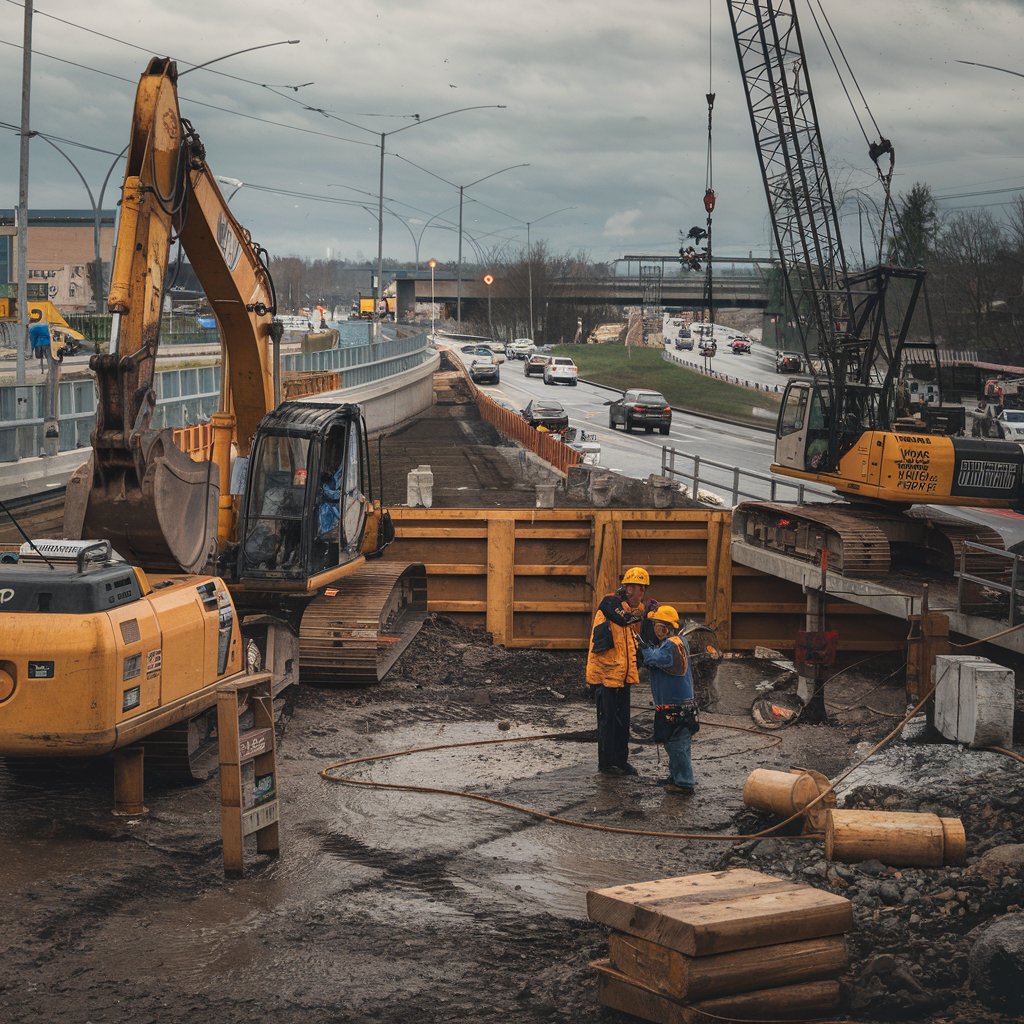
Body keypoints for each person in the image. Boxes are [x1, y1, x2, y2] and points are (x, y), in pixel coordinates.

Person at [585, 566, 653, 777]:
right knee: (607, 722)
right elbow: (622, 619)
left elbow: (636, 641)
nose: (641, 594)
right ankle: (606, 764)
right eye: (639, 589)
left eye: (644, 590)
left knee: (623, 720)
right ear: (629, 587)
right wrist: (645, 615)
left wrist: (647, 617)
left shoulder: (634, 610)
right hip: (605, 676)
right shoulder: (610, 603)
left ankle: (621, 761)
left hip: (623, 675)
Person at [643, 605, 698, 796]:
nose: (655, 630)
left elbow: (657, 659)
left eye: (658, 627)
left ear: (666, 627)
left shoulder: (672, 645)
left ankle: (684, 782)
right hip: (676, 704)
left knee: (677, 746)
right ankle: (677, 776)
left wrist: (644, 650)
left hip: (676, 706)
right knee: (674, 744)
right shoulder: (676, 642)